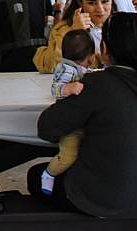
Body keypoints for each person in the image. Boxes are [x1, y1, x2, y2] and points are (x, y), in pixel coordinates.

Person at [30, 12, 137, 216]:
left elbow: (47, 128)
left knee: (36, 175)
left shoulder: (97, 84)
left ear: (104, 48)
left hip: (99, 198)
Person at [40, 29, 98, 195]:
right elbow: (55, 89)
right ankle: (49, 174)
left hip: (81, 120)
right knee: (69, 155)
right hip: (70, 123)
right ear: (91, 57)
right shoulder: (67, 69)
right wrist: (69, 88)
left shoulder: (81, 70)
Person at [33, 0, 115, 73]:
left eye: (105, 1)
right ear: (80, 3)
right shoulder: (65, 28)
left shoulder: (121, 25)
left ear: (112, 0)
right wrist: (74, 34)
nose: (100, 9)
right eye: (91, 3)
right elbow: (50, 66)